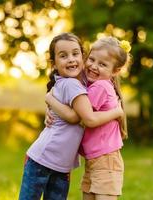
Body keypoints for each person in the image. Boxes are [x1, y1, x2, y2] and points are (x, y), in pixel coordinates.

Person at [18, 33, 123, 200]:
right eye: (63, 56)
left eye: (75, 54)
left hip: (58, 161)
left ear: (82, 55)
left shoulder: (86, 83)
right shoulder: (74, 83)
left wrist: (50, 100)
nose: (71, 59)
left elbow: (78, 117)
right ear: (54, 63)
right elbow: (77, 116)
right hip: (50, 159)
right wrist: (50, 102)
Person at [45, 36, 131, 200]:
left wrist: (49, 100)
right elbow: (66, 98)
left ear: (115, 71)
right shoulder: (91, 84)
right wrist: (48, 109)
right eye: (91, 59)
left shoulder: (100, 86)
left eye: (102, 64)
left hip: (105, 160)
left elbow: (81, 116)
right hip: (96, 160)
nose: (93, 66)